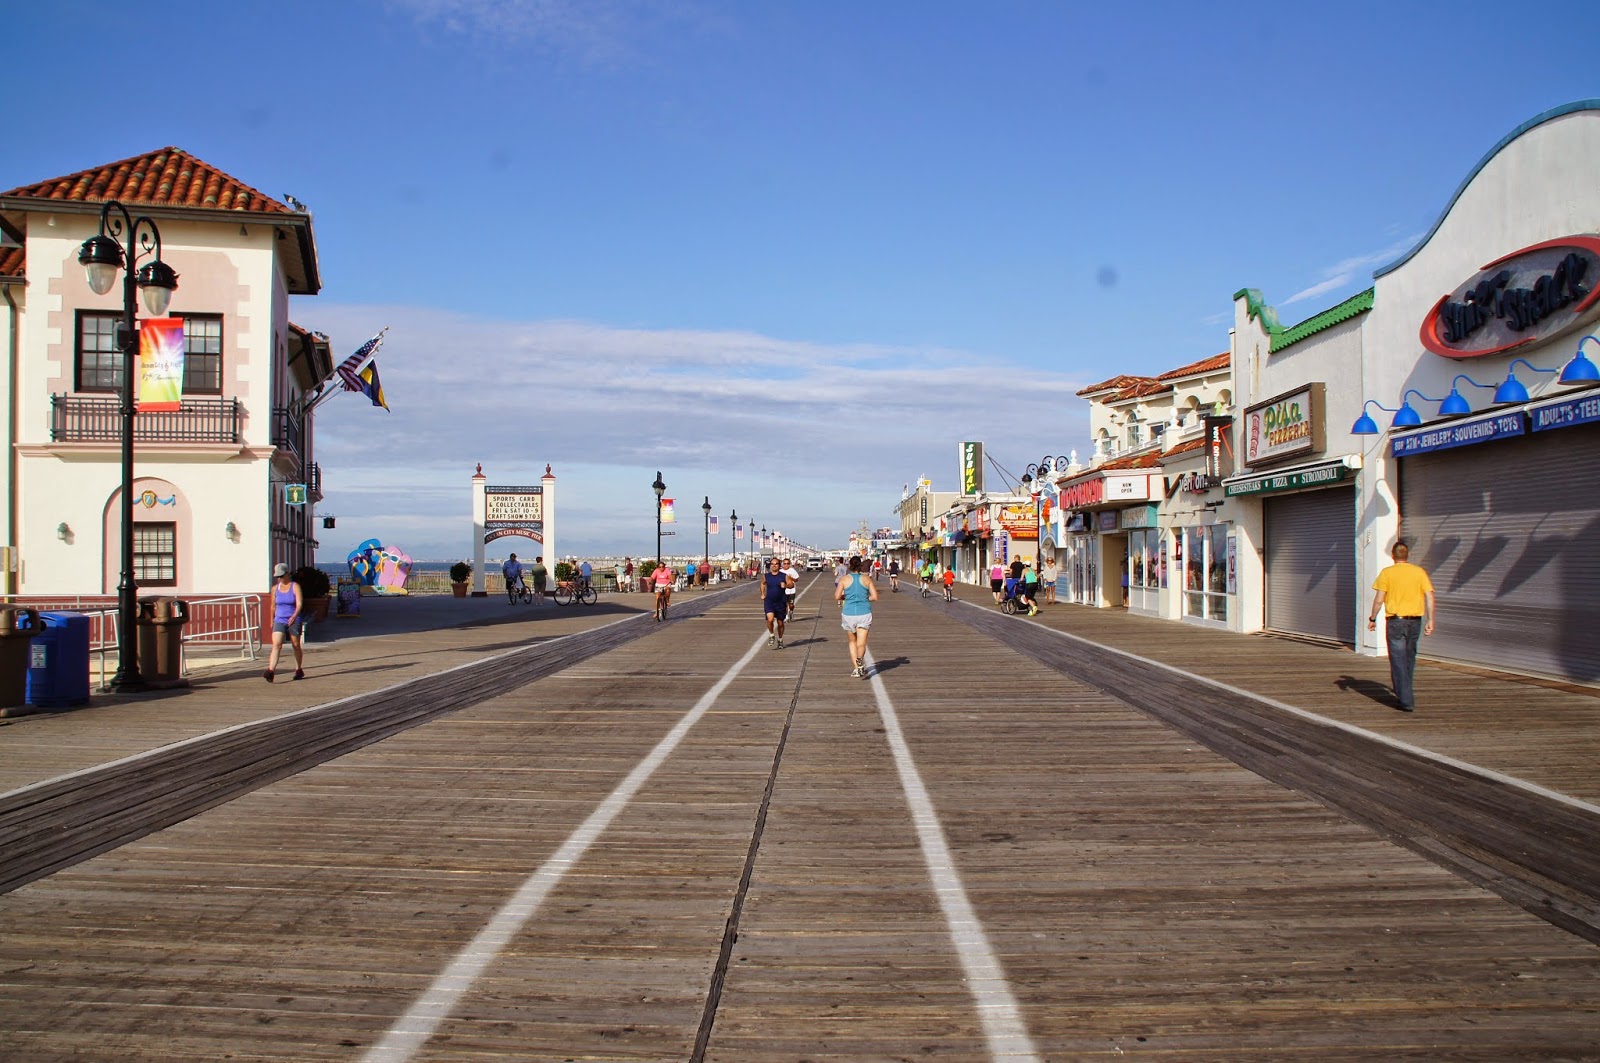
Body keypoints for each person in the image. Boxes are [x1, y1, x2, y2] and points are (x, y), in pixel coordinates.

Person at [1368, 541, 1436, 712]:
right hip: (1415, 621)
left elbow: (1379, 599)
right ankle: (1404, 689)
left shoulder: (1387, 573)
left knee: (1398, 659)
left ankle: (1406, 700)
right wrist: (1431, 620)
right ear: (1408, 555)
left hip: (1396, 621)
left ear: (1393, 555)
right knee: (1409, 657)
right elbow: (1429, 597)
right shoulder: (1419, 572)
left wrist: (1373, 617)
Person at [836, 555, 879, 678]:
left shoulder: (844, 579)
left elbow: (837, 596)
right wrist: (865, 598)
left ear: (850, 565)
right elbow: (875, 597)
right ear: (860, 565)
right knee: (862, 643)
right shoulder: (866, 579)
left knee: (852, 642)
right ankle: (860, 659)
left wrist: (847, 597)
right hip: (864, 612)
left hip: (849, 613)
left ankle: (856, 668)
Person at [264, 562, 304, 682]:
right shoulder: (275, 589)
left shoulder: (295, 586)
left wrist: (294, 616)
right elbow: (273, 606)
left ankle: (298, 669)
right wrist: (272, 620)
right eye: (278, 577)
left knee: (296, 645)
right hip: (279, 619)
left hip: (293, 619)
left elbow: (299, 604)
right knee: (277, 644)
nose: (280, 579)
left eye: (281, 576)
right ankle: (271, 671)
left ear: (287, 574)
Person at [761, 557, 793, 648]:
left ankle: (780, 639)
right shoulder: (766, 576)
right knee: (770, 619)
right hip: (769, 601)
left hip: (781, 602)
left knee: (780, 623)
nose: (774, 565)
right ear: (770, 565)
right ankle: (771, 635)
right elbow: (762, 584)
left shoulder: (784, 576)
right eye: (772, 564)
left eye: (776, 564)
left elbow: (791, 584)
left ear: (779, 566)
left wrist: (786, 585)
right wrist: (762, 593)